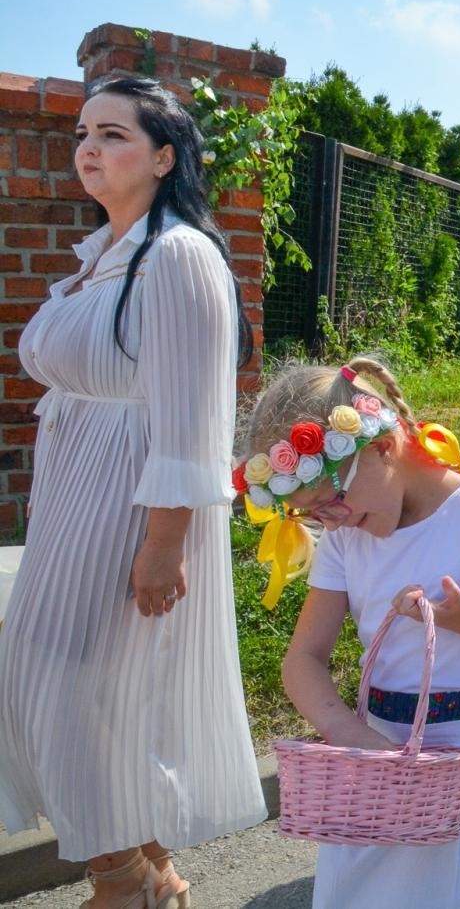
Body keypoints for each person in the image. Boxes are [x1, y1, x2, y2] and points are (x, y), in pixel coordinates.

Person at [0, 76, 265, 909]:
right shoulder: (103, 257)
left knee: (71, 687)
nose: (89, 148)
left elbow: (192, 421)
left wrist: (163, 544)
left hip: (135, 503)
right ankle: (150, 872)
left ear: (163, 157)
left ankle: (120, 881)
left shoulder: (178, 255)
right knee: (89, 690)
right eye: (84, 132)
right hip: (76, 498)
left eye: (113, 134)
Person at [262, 360, 460, 908]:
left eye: (332, 502)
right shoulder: (347, 537)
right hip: (381, 765)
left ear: (382, 447)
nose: (331, 522)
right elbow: (304, 659)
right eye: (313, 516)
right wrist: (353, 736)